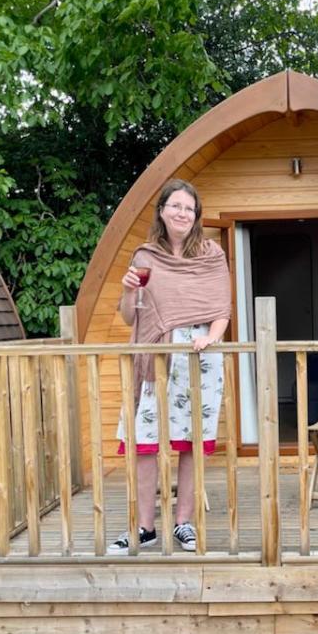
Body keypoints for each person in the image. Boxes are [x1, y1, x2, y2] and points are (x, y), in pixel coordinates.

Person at [109, 179, 231, 553]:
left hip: (198, 356)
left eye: (189, 208)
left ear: (197, 217)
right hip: (155, 357)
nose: (182, 213)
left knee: (192, 441)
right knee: (145, 441)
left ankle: (184, 523)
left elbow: (221, 307)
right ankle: (145, 528)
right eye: (175, 206)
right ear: (161, 211)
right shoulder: (144, 257)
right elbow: (131, 318)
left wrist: (212, 336)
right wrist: (129, 290)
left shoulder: (210, 253)